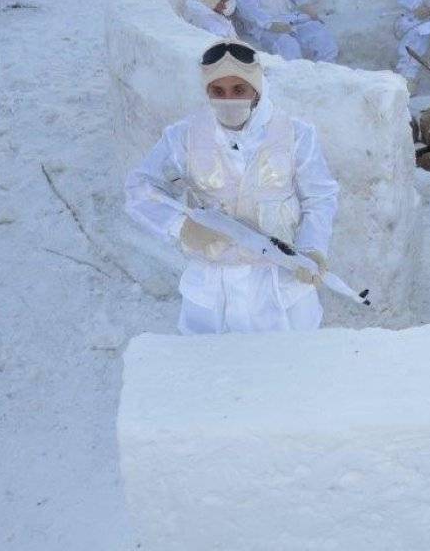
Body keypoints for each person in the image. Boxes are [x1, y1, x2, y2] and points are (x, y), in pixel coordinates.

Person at [125, 40, 340, 335]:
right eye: (218, 91)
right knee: (215, 373)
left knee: (288, 369)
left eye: (239, 90)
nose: (228, 99)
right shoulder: (183, 137)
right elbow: (140, 187)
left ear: (257, 89)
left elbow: (320, 196)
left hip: (281, 283)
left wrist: (312, 248)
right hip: (213, 286)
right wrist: (181, 227)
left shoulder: (296, 135)